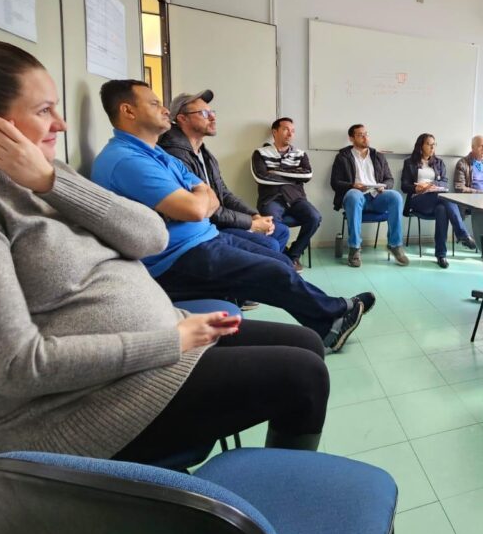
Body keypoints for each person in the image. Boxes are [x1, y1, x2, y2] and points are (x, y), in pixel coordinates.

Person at [0, 40, 329, 462]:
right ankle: (275, 503)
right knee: (304, 376)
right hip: (86, 406)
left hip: (157, 346)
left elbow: (151, 237)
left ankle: (279, 473)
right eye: (43, 111)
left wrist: (53, 182)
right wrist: (169, 341)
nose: (61, 125)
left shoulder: (44, 176)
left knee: (307, 343)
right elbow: (18, 367)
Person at [91, 79, 372, 353]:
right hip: (176, 257)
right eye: (154, 104)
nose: (164, 110)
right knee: (274, 271)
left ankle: (330, 323)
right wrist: (217, 206)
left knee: (280, 260)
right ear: (128, 111)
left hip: (203, 238)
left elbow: (211, 192)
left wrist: (207, 199)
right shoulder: (128, 160)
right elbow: (199, 207)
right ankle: (335, 313)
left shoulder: (157, 154)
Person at [159, 90, 290, 257]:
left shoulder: (204, 153)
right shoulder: (174, 155)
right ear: (182, 118)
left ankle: (267, 270)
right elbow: (203, 209)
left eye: (212, 112)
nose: (212, 117)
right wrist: (252, 223)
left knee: (281, 231)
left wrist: (254, 215)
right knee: (270, 245)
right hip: (204, 227)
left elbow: (224, 194)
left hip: (219, 218)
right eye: (204, 113)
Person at [329, 124, 409, 268]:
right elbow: (335, 182)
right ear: (351, 138)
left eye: (366, 134)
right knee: (354, 195)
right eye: (360, 135)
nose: (365, 137)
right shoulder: (343, 157)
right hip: (356, 196)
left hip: (376, 196)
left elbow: (389, 179)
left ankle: (395, 245)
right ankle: (354, 248)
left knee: (395, 196)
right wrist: (353, 185)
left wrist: (383, 186)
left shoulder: (378, 156)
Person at [252, 116, 322, 270]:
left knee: (315, 217)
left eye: (293, 131)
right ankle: (281, 256)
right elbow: (261, 177)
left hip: (296, 198)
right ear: (275, 132)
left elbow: (307, 175)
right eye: (285, 129)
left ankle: (293, 255)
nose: (290, 134)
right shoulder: (260, 153)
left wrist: (275, 171)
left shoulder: (300, 154)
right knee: (274, 225)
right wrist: (292, 175)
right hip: (271, 199)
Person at [400, 133, 477, 268]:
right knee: (444, 198)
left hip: (436, 197)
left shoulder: (438, 163)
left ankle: (441, 255)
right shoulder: (409, 162)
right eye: (429, 144)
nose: (432, 147)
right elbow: (404, 186)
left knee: (442, 209)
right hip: (418, 200)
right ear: (421, 146)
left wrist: (432, 184)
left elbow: (445, 184)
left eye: (434, 144)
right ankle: (462, 234)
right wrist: (417, 188)